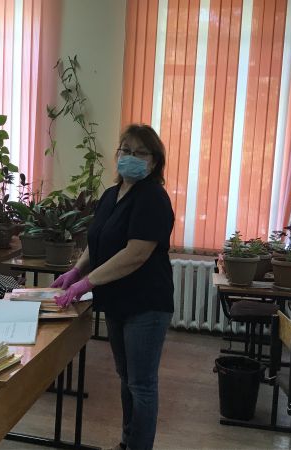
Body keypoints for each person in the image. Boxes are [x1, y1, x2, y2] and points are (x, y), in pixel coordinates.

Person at [53, 124, 175, 450]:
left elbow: (136, 254)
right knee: (126, 378)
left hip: (146, 304)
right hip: (117, 301)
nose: (130, 157)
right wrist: (75, 271)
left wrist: (86, 282)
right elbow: (98, 241)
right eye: (126, 150)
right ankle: (127, 441)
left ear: (154, 161)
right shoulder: (111, 195)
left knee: (141, 384)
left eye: (140, 153)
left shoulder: (153, 198)